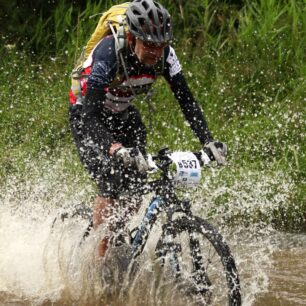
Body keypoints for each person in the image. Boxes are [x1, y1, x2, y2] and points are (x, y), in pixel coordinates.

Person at [69, 0, 227, 257]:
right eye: (149, 45)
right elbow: (90, 116)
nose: (156, 52)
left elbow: (186, 100)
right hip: (87, 115)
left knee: (137, 182)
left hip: (123, 112)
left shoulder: (166, 55)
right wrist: (115, 148)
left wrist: (207, 140)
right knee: (111, 181)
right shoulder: (108, 53)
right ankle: (100, 260)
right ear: (132, 37)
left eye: (161, 45)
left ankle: (120, 237)